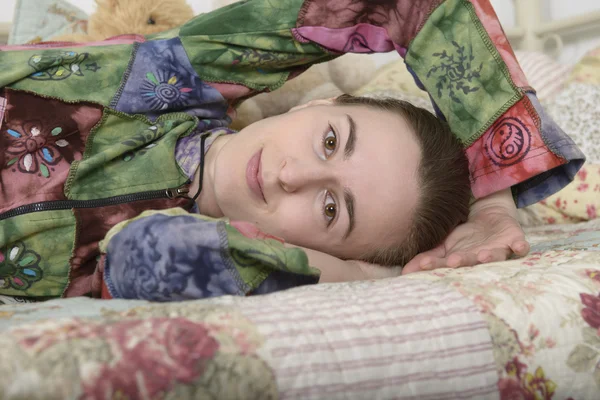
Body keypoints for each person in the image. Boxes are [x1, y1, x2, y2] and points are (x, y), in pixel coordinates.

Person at [0, 0, 584, 302]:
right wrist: (494, 197)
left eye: (332, 209)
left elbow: (158, 253)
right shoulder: (180, 74)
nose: (294, 174)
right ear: (311, 107)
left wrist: (360, 277)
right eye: (330, 141)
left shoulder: (127, 255)